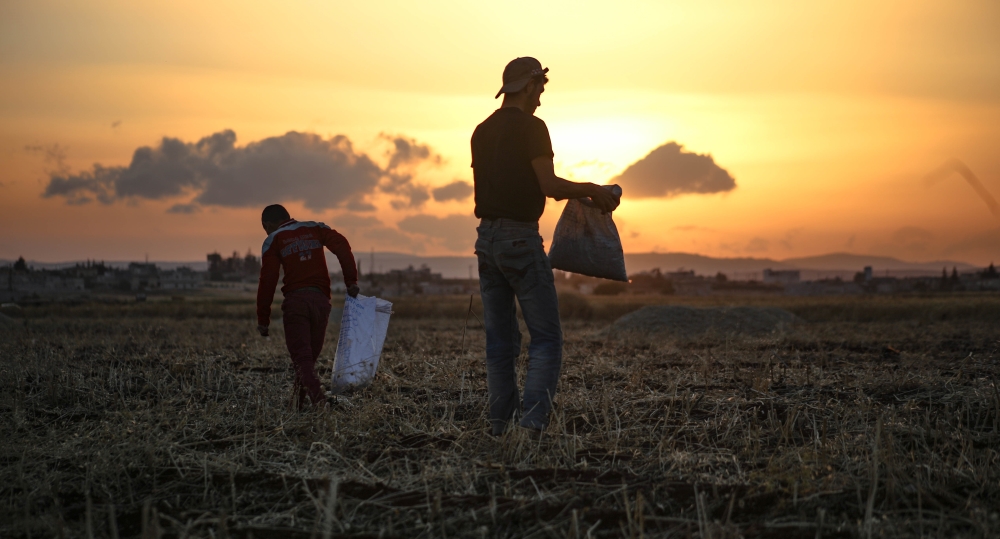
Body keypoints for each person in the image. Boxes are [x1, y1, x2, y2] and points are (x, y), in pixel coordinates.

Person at [471, 57, 620, 436]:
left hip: (486, 242)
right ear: (528, 85)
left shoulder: (481, 130)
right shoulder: (533, 128)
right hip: (520, 238)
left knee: (500, 343)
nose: (541, 97)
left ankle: (500, 427)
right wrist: (592, 190)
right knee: (547, 339)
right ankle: (532, 427)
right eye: (540, 88)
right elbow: (549, 186)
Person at [256, 204, 360, 408]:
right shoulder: (315, 228)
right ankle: (296, 405)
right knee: (307, 361)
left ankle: (320, 404)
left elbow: (267, 280)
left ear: (267, 224)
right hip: (321, 302)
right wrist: (351, 281)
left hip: (296, 304)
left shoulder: (273, 239)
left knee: (302, 360)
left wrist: (263, 319)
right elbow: (342, 245)